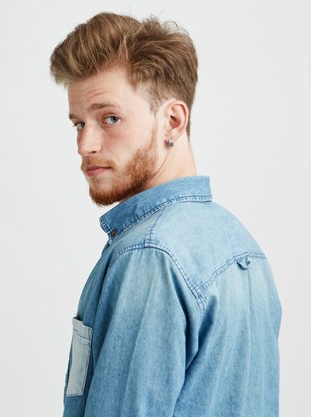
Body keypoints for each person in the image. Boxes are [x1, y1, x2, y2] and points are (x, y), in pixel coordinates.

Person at [49, 12, 282, 417]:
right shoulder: (240, 244)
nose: (85, 144)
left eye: (110, 118)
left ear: (172, 120)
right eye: (78, 124)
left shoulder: (149, 255)